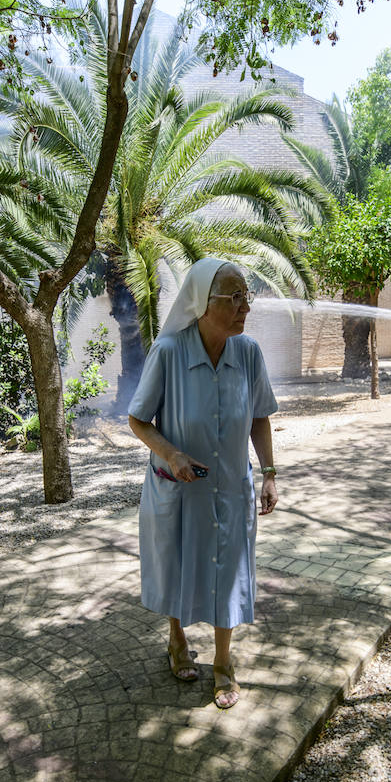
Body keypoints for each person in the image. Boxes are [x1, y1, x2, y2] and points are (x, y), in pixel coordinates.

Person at [127, 258, 280, 710]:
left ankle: (223, 661)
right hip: (179, 487)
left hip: (232, 488)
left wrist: (269, 473)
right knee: (179, 563)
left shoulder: (248, 352)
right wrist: (171, 453)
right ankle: (176, 639)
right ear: (201, 302)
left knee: (227, 571)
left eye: (245, 297)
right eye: (233, 298)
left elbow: (259, 417)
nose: (243, 307)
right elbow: (138, 419)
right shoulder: (170, 352)